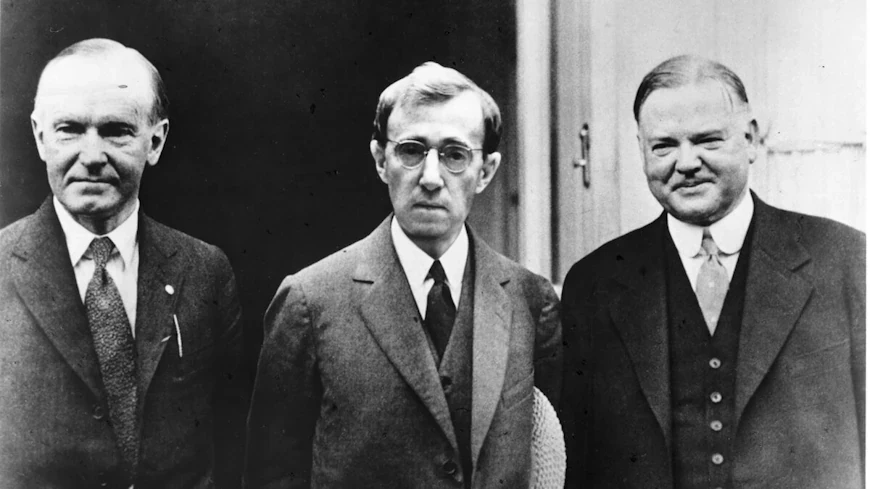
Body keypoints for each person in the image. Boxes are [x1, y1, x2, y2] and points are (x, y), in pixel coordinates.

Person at [245, 62, 562, 488]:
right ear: (381, 160)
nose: (430, 178)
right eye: (411, 151)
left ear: (485, 171)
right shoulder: (310, 300)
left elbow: (553, 456)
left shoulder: (530, 300)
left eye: (454, 155)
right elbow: (271, 476)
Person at [559, 54, 865, 488]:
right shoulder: (594, 284)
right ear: (641, 150)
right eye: (663, 146)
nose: (686, 163)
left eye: (707, 140)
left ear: (751, 139)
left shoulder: (845, 259)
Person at [0, 38, 247, 488]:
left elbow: (234, 439)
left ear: (155, 141)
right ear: (39, 136)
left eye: (116, 131)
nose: (92, 157)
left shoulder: (205, 272)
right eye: (69, 129)